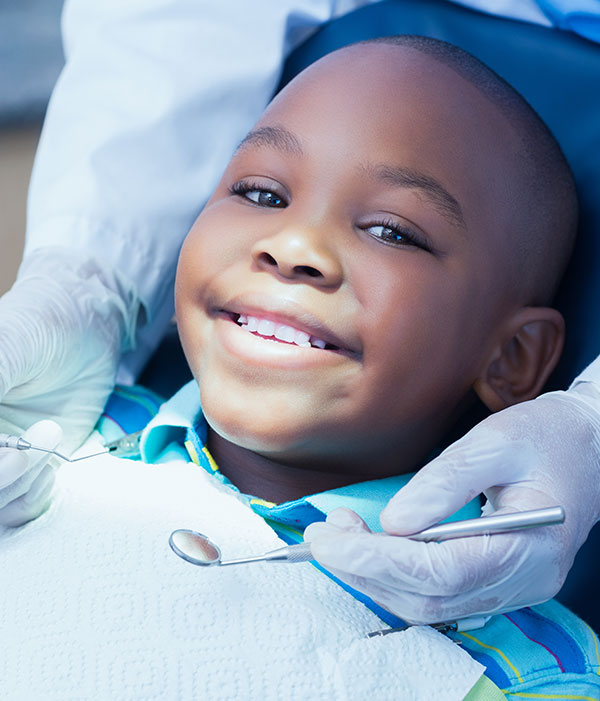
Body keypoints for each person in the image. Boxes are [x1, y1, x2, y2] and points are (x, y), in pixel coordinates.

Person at [1, 0, 599, 628]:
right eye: (262, 194)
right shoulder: (39, 462)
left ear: (512, 357)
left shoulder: (512, 642)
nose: (293, 248)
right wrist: (90, 278)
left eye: (392, 232)